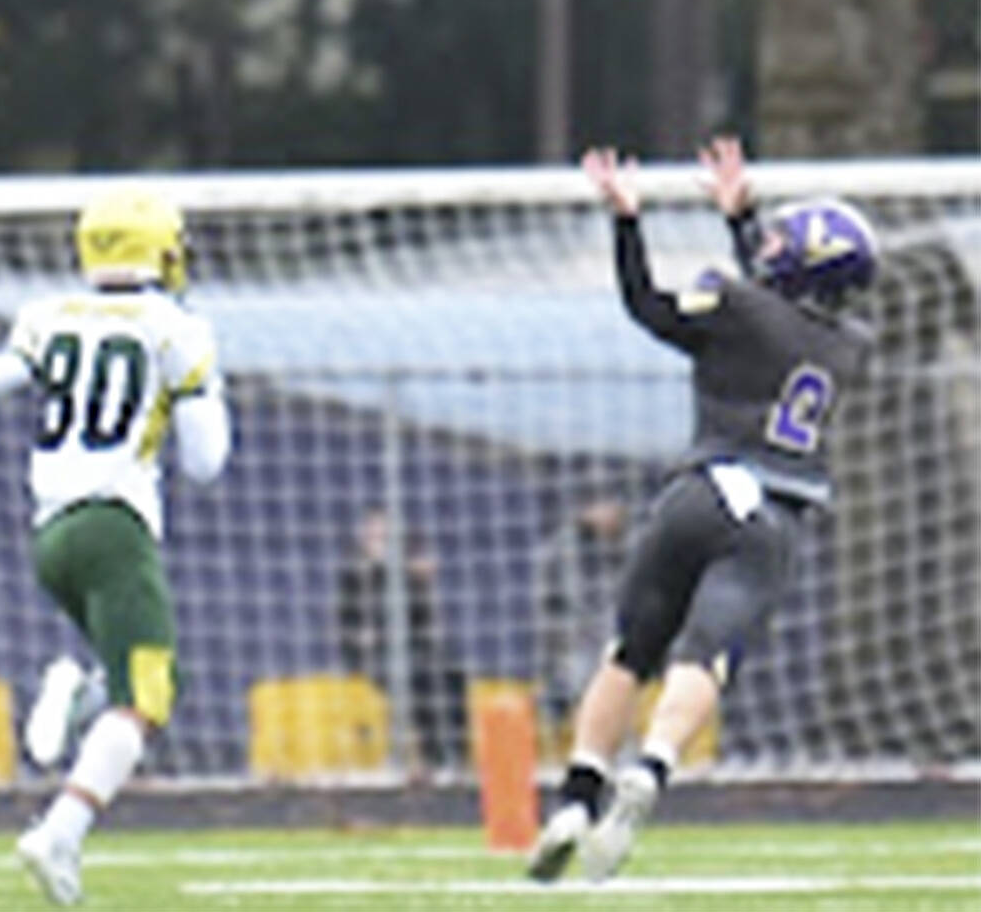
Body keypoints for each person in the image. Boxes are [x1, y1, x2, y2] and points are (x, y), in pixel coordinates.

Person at [528, 137, 877, 883]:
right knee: (706, 655)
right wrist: (742, 217)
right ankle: (651, 768)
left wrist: (627, 222)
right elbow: (783, 309)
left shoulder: (737, 302)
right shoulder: (852, 346)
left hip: (700, 490)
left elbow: (648, 304)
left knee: (631, 648)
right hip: (774, 516)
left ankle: (576, 793)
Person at [0, 186, 230, 906]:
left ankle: (73, 689)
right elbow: (207, 465)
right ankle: (60, 833)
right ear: (159, 250)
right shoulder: (176, 329)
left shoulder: (46, 317)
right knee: (145, 698)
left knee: (156, 683)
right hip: (116, 527)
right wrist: (201, 391)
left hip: (49, 534)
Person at [336, 505, 465, 771]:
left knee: (450, 674)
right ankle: (432, 757)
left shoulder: (407, 575)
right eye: (375, 535)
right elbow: (350, 623)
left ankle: (455, 756)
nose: (381, 542)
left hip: (414, 650)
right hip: (375, 655)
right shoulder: (355, 575)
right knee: (418, 680)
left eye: (386, 535)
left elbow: (421, 619)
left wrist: (420, 582)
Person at [532, 498, 628, 743]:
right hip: (571, 637)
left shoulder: (627, 544)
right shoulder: (564, 547)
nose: (608, 514)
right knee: (581, 674)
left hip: (609, 635)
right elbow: (551, 598)